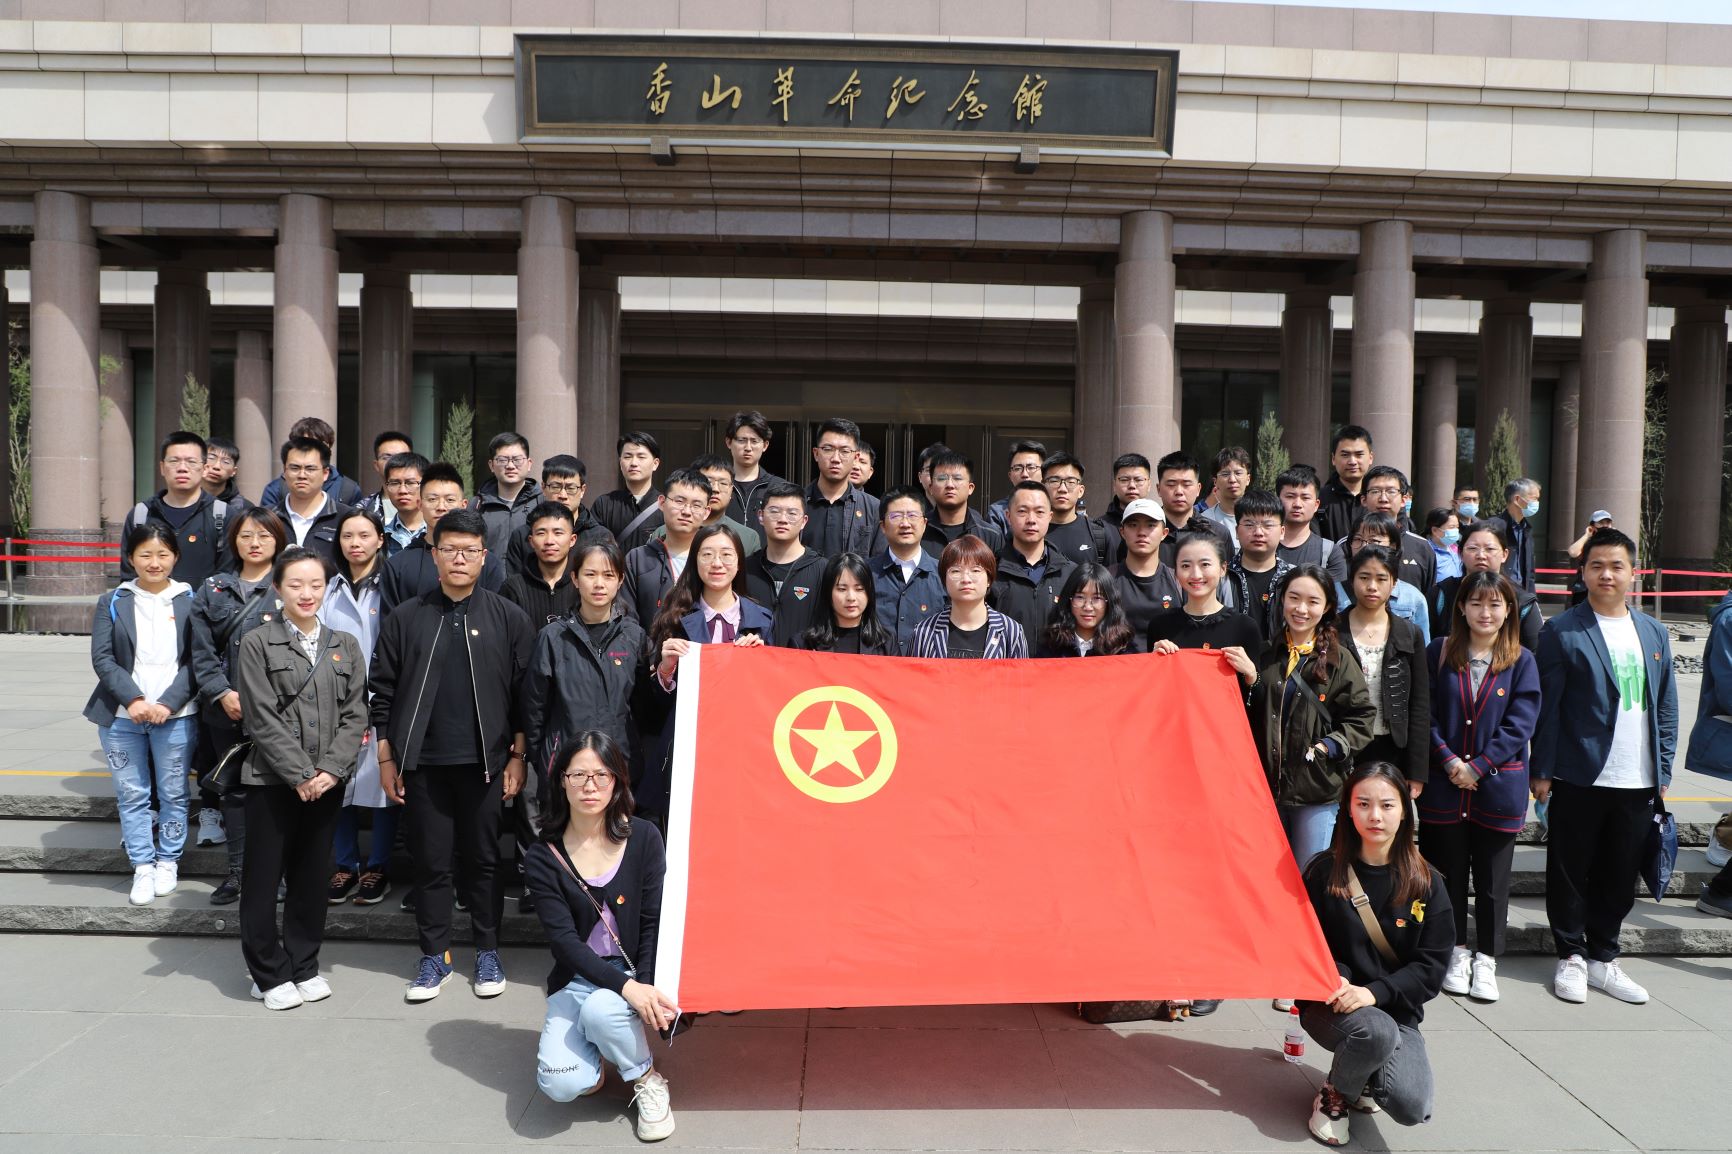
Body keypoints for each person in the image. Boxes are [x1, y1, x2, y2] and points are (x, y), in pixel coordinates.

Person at [371, 509, 537, 1003]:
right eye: (449, 549)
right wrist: (386, 760)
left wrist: (518, 756)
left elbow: (525, 694)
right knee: (431, 863)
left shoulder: (508, 617)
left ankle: (487, 950)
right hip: (422, 764)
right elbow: (381, 692)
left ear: (485, 557)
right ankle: (434, 955)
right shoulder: (406, 617)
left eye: (469, 550)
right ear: (434, 554)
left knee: (484, 861)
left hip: (486, 763)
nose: (459, 558)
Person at [1534, 528, 1677, 1006]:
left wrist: (1663, 769)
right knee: (1570, 869)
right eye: (1597, 565)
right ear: (1583, 572)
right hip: (1579, 772)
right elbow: (1548, 708)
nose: (1607, 574)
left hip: (1638, 777)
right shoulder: (1562, 630)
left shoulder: (1654, 632)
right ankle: (1571, 955)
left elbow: (1666, 705)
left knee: (1620, 872)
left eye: (1617, 566)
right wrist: (1542, 769)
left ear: (1633, 573)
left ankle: (1603, 957)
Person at [234, 546, 368, 1010]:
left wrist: (330, 770)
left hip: (326, 784)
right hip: (271, 781)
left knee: (312, 879)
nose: (306, 593)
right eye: (295, 584)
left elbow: (356, 713)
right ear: (278, 589)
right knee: (262, 880)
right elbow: (260, 716)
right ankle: (268, 972)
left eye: (316, 584)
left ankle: (304, 964)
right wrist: (300, 774)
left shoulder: (344, 643)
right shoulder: (257, 642)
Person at [525, 732, 676, 1141]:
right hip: (577, 978)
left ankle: (646, 1077)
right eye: (578, 775)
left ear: (617, 781)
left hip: (632, 971)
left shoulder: (644, 836)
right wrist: (627, 990)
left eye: (601, 775)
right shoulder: (542, 856)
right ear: (561, 780)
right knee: (561, 1083)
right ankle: (603, 1048)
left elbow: (651, 920)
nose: (589, 786)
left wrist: (643, 986)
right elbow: (564, 943)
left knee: (602, 1012)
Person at [1299, 762, 1451, 1147]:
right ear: (1348, 809)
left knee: (1412, 1106)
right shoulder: (1324, 872)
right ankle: (1336, 1093)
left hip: (1395, 1009)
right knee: (1374, 1032)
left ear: (1404, 811)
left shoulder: (1427, 883)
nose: (1375, 816)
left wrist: (1374, 992)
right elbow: (1304, 941)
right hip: (1331, 1002)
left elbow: (1431, 968)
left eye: (1387, 805)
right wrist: (1337, 975)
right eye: (1363, 804)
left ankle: (1364, 1073)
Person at [1420, 570, 1541, 1005]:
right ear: (1462, 607)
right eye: (1476, 603)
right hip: (1444, 785)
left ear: (1508, 610)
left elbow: (1521, 724)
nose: (1485, 612)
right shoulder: (1439, 652)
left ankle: (1487, 958)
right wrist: (1450, 760)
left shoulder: (1521, 660)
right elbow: (1425, 714)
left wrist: (1479, 766)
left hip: (1497, 789)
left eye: (1494, 604)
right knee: (1447, 876)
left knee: (1492, 883)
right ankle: (1454, 951)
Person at [86, 524, 197, 908]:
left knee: (174, 792)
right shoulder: (113, 600)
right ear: (131, 558)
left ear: (175, 557)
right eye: (145, 554)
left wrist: (168, 703)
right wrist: (132, 699)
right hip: (122, 717)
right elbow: (102, 657)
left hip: (176, 715)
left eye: (163, 554)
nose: (154, 562)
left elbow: (198, 660)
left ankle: (168, 861)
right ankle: (142, 865)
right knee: (132, 794)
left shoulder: (190, 600)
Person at [189, 507, 289, 905]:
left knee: (277, 794)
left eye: (264, 535)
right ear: (233, 540)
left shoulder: (288, 585)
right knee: (234, 794)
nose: (255, 543)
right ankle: (239, 873)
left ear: (278, 540)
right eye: (246, 535)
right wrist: (222, 692)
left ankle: (276, 875)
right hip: (225, 712)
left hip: (279, 713)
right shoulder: (213, 588)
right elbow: (200, 652)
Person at [1247, 565, 1377, 869]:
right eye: (1294, 598)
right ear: (1282, 599)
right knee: (1268, 875)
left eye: (1313, 601)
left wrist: (1327, 747)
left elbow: (1362, 718)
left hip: (1316, 789)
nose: (1301, 609)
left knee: (1308, 875)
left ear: (1327, 606)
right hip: (1266, 789)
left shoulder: (1339, 659)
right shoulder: (1266, 654)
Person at [646, 525, 772, 819]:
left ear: (739, 563)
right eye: (707, 555)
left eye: (726, 555)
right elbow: (654, 705)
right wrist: (665, 670)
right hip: (688, 747)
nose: (717, 563)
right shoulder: (674, 617)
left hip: (742, 749)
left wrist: (763, 662)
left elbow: (770, 698)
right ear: (695, 561)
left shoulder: (762, 620)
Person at [523, 542, 653, 794]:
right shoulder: (553, 637)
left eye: (608, 575)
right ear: (575, 578)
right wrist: (545, 759)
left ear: (620, 580)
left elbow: (642, 706)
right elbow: (534, 708)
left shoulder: (633, 636)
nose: (599, 584)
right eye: (590, 574)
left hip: (619, 764)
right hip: (565, 766)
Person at [321, 508, 396, 907]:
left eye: (364, 535)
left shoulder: (390, 584)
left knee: (383, 785)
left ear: (380, 539)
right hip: (335, 702)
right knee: (339, 783)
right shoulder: (328, 588)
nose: (355, 543)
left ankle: (378, 866)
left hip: (382, 697)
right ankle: (345, 864)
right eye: (347, 536)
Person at [1338, 545, 1430, 788]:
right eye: (1364, 577)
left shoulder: (1409, 633)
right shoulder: (1333, 630)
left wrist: (1417, 771)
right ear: (1352, 580)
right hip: (1343, 743)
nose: (1372, 586)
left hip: (1392, 747)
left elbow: (1419, 705)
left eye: (1381, 579)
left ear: (1394, 583)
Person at [379, 462, 507, 614]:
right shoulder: (397, 566)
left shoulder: (486, 562)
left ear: (464, 505)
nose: (441, 507)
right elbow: (392, 623)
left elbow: (496, 616)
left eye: (450, 500)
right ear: (420, 504)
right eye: (432, 499)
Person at [119, 430, 231, 586]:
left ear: (205, 468)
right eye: (174, 461)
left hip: (203, 602)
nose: (182, 468)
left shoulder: (224, 515)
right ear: (162, 467)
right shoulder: (141, 514)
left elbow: (227, 575)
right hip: (150, 601)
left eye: (191, 462)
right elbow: (129, 575)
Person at [1147, 531, 1263, 665]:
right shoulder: (1160, 625)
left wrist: (1251, 673)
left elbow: (1255, 678)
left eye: (1205, 564)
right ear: (1176, 572)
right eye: (1185, 566)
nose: (1196, 575)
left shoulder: (1244, 626)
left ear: (1223, 568)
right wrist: (1154, 660)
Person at [1428, 522, 1541, 651]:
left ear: (1504, 555)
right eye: (1472, 548)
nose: (1481, 555)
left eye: (1490, 549)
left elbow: (1536, 652)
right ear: (1461, 554)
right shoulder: (1441, 594)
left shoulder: (1523, 602)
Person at [911, 535, 1028, 659]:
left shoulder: (1011, 631)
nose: (966, 579)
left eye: (975, 570)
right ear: (944, 579)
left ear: (989, 579)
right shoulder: (924, 632)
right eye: (956, 571)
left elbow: (1021, 672)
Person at [991, 481, 1075, 648]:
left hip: (1056, 663)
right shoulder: (991, 572)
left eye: (1039, 512)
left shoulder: (1070, 573)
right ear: (1008, 516)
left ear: (1050, 517)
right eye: (1022, 511)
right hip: (1006, 663)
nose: (1031, 520)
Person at [621, 469, 711, 626]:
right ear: (662, 502)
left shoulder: (714, 560)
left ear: (706, 512)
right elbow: (627, 618)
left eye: (696, 505)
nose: (686, 511)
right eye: (679, 501)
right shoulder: (637, 559)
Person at [743, 481, 827, 647]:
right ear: (761, 516)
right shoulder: (746, 569)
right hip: (756, 660)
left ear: (804, 521)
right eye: (774, 512)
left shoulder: (822, 569)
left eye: (792, 513)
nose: (782, 519)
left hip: (804, 660)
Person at [869, 487, 946, 652]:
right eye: (896, 516)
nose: (905, 524)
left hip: (927, 667)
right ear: (883, 526)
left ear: (924, 523)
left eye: (912, 515)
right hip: (876, 666)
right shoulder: (866, 573)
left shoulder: (943, 574)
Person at [508, 455, 613, 574]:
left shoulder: (600, 537)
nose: (563, 495)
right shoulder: (522, 536)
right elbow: (514, 582)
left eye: (571, 488)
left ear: (582, 490)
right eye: (555, 487)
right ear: (543, 487)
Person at [1337, 514, 1431, 643]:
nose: (1365, 546)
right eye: (1358, 539)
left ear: (1393, 545)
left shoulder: (1413, 598)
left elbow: (1422, 646)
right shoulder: (1334, 592)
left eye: (1374, 540)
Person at [1347, 466, 1435, 599]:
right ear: (1363, 499)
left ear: (1404, 499)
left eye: (1391, 491)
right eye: (1375, 491)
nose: (1383, 498)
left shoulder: (1422, 547)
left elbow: (1428, 597)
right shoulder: (1350, 544)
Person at [1109, 497, 1182, 651]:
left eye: (1150, 525)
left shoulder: (1179, 581)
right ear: (1122, 532)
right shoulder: (1106, 580)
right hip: (1118, 664)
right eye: (1133, 525)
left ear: (1164, 533)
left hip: (1166, 664)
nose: (1141, 532)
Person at [802, 418, 882, 556]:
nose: (835, 459)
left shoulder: (874, 508)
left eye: (844, 451)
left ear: (855, 457)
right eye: (828, 449)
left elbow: (878, 561)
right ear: (816, 454)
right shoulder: (797, 502)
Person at [1224, 489, 1294, 643]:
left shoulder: (1294, 578)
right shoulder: (1221, 577)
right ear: (1237, 531)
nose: (1258, 532)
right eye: (1249, 524)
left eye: (1268, 525)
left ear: (1282, 531)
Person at [795, 552, 899, 655]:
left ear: (869, 593)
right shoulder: (804, 644)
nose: (851, 598)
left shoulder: (887, 643)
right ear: (828, 592)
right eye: (842, 589)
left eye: (859, 589)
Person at [270, 436, 354, 563]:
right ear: (284, 472)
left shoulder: (346, 518)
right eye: (295, 468)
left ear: (325, 473)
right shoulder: (268, 518)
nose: (302, 475)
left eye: (310, 469)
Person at [501, 502, 582, 626]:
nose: (549, 541)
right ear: (531, 541)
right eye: (541, 533)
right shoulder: (513, 587)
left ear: (572, 540)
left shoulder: (583, 584)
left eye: (558, 533)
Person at [258, 416, 364, 510]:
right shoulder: (275, 489)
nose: (310, 451)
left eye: (318, 445)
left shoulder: (348, 489)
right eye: (304, 445)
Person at [1036, 562, 1136, 657]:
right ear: (1069, 600)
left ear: (1109, 602)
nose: (1088, 607)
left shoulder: (1122, 648)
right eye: (1080, 597)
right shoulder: (1052, 646)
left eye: (1097, 598)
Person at [1154, 451, 1234, 565]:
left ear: (1198, 489)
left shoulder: (1218, 533)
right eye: (1171, 484)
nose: (1179, 492)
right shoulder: (1147, 533)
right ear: (1158, 489)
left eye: (1186, 484)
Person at [920, 449, 1003, 557]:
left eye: (957, 478)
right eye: (942, 478)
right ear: (931, 488)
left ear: (970, 488)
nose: (950, 485)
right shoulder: (919, 531)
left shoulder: (990, 535)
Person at [475, 431, 543, 564]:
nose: (510, 466)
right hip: (488, 576)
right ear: (491, 465)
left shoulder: (542, 502)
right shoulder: (478, 504)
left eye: (517, 460)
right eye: (502, 460)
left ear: (529, 464)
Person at [1276, 464, 1347, 584]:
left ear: (1316, 505)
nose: (1297, 504)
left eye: (1305, 497)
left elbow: (1336, 595)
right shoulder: (1261, 545)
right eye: (1290, 496)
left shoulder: (1330, 553)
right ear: (1277, 501)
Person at [1040, 452, 1113, 566]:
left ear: (1080, 491)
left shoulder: (1099, 534)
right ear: (1043, 487)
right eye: (1054, 481)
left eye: (1071, 482)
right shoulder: (1032, 530)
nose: (1062, 489)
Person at [593, 433, 663, 544]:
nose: (634, 463)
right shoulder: (604, 504)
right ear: (620, 463)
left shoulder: (666, 506)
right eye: (627, 457)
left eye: (641, 457)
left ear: (655, 464)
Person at [724, 410, 786, 527]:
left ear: (765, 445)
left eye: (754, 441)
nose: (748, 448)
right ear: (729, 442)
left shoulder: (779, 487)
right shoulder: (718, 486)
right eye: (741, 440)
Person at [1317, 425, 1374, 543]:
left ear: (1370, 458)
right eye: (1345, 455)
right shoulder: (1319, 499)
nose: (1352, 461)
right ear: (1333, 459)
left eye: (1359, 455)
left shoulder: (1380, 499)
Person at [1489, 477, 1542, 595]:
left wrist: (1531, 598)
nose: (1537, 503)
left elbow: (1530, 572)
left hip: (1522, 594)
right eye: (1534, 499)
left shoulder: (1526, 529)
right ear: (1517, 499)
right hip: (1498, 592)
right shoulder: (1493, 527)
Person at [986, 439, 1046, 537]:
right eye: (1018, 468)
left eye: (1031, 467)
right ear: (1010, 476)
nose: (1025, 474)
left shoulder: (1054, 507)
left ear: (1043, 473)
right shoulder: (997, 512)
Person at [377, 451, 429, 559]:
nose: (402, 490)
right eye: (395, 483)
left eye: (410, 483)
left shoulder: (440, 534)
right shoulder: (380, 538)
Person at [1199, 445, 1251, 547]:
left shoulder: (1259, 518)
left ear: (1248, 479)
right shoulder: (1204, 520)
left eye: (1238, 473)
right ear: (1215, 482)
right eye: (1225, 474)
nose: (1232, 480)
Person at [358, 430, 413, 520]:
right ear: (376, 465)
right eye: (387, 457)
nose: (394, 462)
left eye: (401, 456)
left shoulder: (428, 504)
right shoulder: (363, 509)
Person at [200, 434, 252, 514]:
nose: (217, 466)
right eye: (211, 458)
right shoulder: (183, 498)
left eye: (226, 462)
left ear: (233, 471)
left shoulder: (244, 508)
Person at [1424, 507, 1462, 582]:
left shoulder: (1456, 548)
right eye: (1452, 527)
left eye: (1457, 527)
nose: (1456, 530)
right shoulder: (1427, 553)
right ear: (1435, 530)